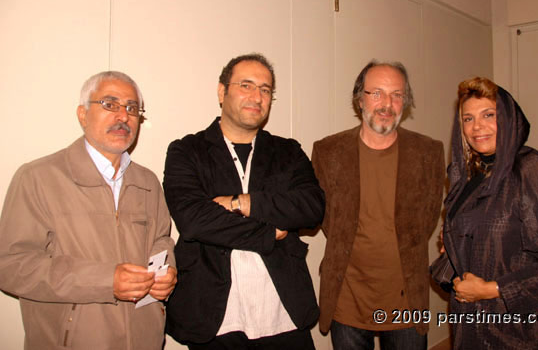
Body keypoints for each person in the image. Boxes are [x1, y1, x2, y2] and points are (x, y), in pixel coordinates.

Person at [0, 71, 177, 350]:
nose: (123, 116)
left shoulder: (148, 182)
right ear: (82, 115)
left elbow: (161, 241)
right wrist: (106, 280)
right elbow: (11, 266)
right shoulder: (38, 177)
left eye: (132, 108)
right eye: (110, 104)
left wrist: (165, 274)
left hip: (145, 340)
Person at [163, 53, 325, 350]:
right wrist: (268, 232)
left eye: (265, 89)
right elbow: (194, 220)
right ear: (222, 91)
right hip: (215, 316)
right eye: (246, 85)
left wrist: (241, 203)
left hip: (283, 312)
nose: (257, 96)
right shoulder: (187, 151)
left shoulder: (287, 151)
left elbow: (312, 207)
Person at [435, 77, 538, 349]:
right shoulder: (469, 175)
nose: (477, 126)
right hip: (475, 322)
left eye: (488, 115)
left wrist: (490, 290)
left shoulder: (532, 170)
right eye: (468, 119)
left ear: (509, 119)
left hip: (523, 330)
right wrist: (458, 242)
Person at [312, 60, 445, 350]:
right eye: (377, 93)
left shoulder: (429, 153)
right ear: (360, 99)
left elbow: (427, 219)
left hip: (406, 299)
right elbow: (327, 219)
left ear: (405, 102)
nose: (387, 104)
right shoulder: (328, 151)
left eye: (397, 94)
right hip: (347, 299)